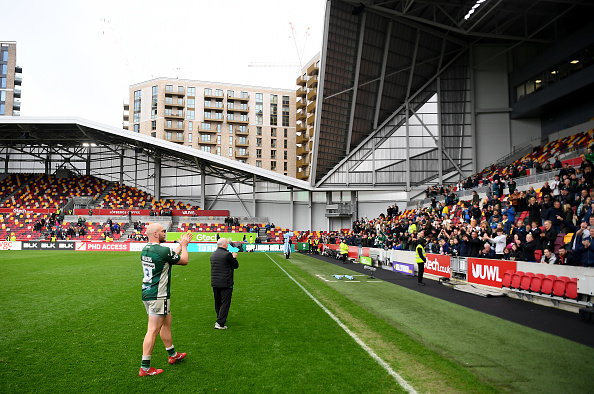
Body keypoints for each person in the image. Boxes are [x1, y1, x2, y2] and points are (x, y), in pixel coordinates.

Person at [139, 224, 191, 377]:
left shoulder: (145, 249)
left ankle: (173, 354)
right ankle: (145, 367)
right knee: (153, 330)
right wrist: (184, 246)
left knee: (166, 322)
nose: (164, 233)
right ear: (155, 234)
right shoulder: (162, 250)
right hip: (158, 296)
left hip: (148, 293)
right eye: (162, 231)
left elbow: (168, 258)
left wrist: (179, 246)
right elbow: (184, 261)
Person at [210, 238, 239, 330]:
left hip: (215, 282)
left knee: (218, 302)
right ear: (223, 245)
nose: (228, 245)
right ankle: (220, 322)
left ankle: (220, 318)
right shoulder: (227, 255)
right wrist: (234, 257)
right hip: (226, 282)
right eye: (227, 243)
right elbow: (235, 265)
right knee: (225, 302)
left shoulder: (213, 254)